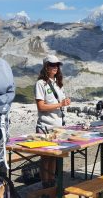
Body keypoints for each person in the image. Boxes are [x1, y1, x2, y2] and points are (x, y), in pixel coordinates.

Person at [34, 54, 71, 188]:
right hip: (45, 127)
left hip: (58, 127)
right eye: (52, 65)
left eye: (57, 65)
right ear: (46, 66)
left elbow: (59, 102)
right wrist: (60, 104)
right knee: (45, 157)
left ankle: (52, 181)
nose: (55, 67)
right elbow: (41, 106)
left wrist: (65, 102)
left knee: (54, 156)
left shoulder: (58, 83)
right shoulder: (40, 84)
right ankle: (46, 184)